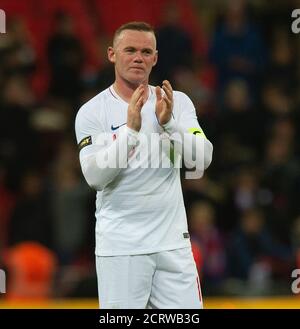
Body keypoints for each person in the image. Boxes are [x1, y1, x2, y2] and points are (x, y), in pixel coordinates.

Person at [75, 21, 213, 309]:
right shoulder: (92, 112)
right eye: (130, 50)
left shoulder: (178, 103)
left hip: (173, 245)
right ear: (112, 54)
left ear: (155, 58)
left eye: (146, 51)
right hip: (121, 248)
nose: (138, 57)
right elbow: (94, 177)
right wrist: (131, 133)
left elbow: (202, 158)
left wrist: (169, 123)